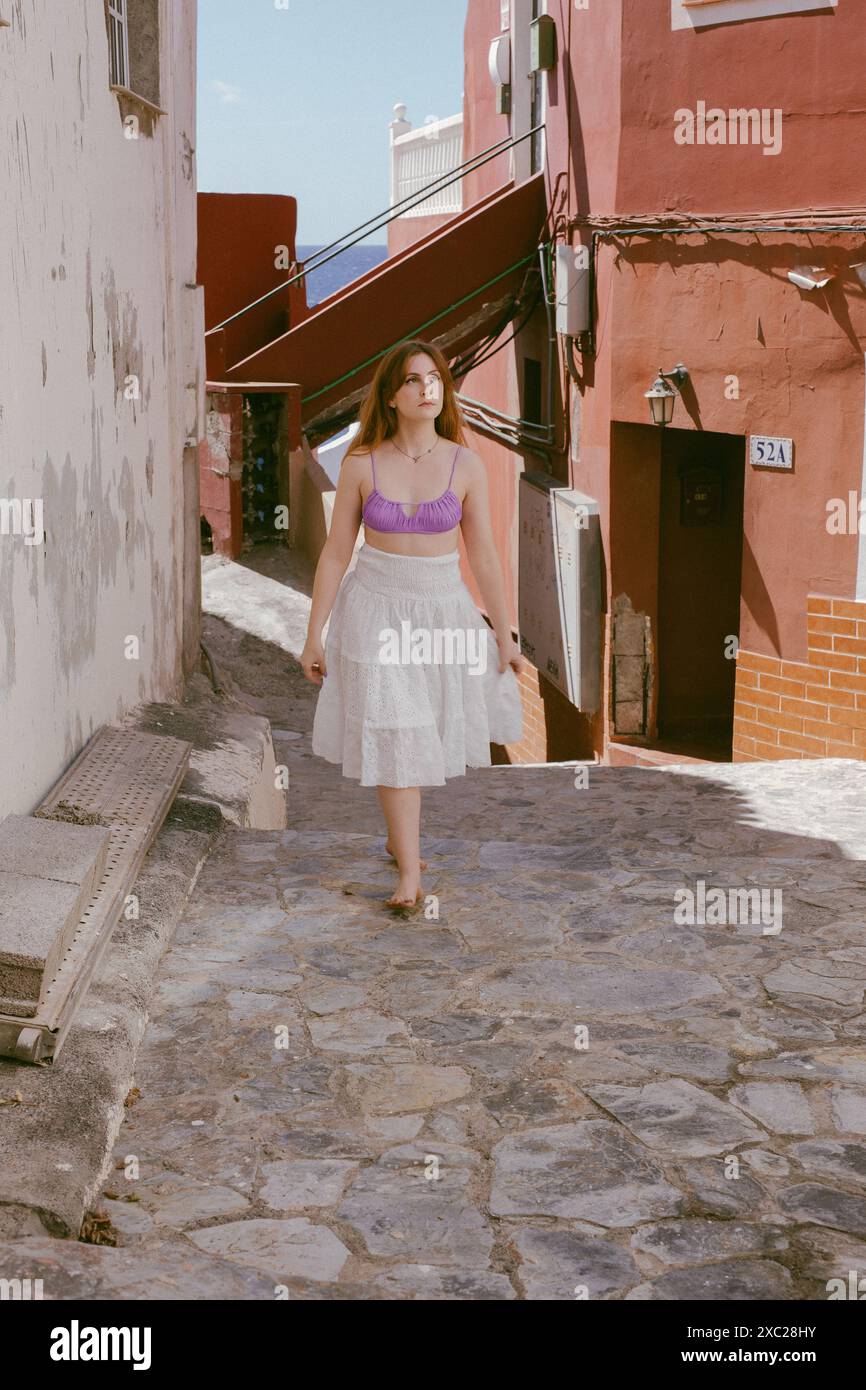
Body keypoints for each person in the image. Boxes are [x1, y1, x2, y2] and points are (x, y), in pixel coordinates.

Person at [300, 339, 524, 909]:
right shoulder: (360, 462)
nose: (426, 388)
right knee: (397, 732)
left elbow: (485, 557)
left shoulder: (465, 464)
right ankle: (409, 875)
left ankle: (399, 837)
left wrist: (505, 634)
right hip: (374, 608)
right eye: (412, 380)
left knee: (421, 732)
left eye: (434, 379)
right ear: (392, 396)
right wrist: (313, 634)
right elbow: (334, 552)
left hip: (441, 612)